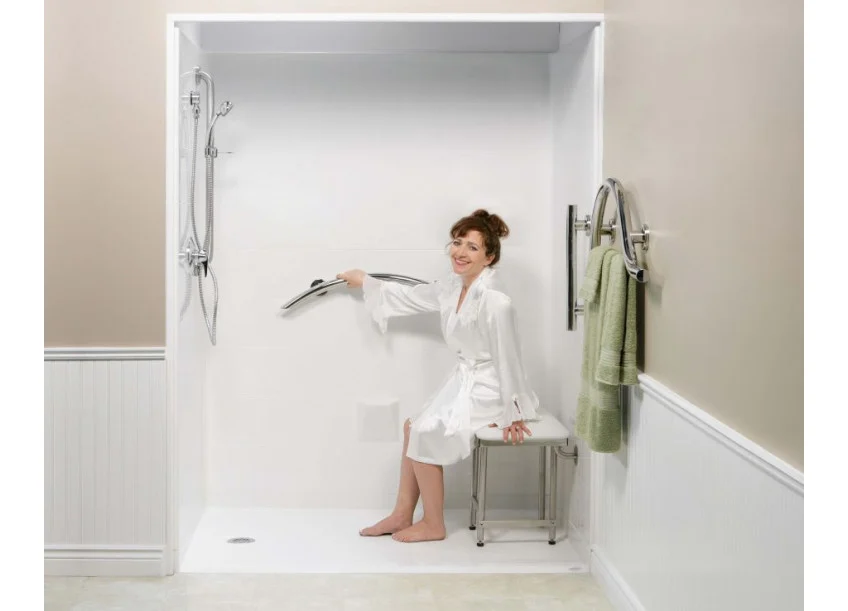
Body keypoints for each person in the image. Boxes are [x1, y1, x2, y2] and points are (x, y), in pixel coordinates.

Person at [336, 209, 539, 543]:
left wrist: (513, 411)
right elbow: (409, 296)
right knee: (411, 426)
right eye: (458, 243)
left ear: (489, 257)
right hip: (465, 380)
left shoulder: (495, 301)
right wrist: (365, 281)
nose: (460, 252)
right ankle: (402, 515)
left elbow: (510, 359)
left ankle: (433, 523)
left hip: (491, 388)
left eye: (472, 247)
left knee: (425, 431)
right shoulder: (451, 288)